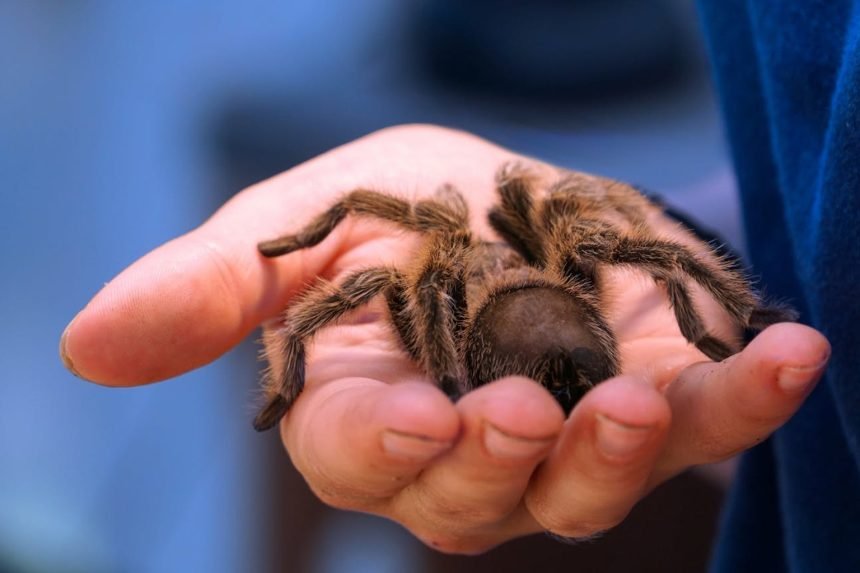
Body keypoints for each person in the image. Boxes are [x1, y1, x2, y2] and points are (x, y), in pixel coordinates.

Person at [60, 1, 858, 569]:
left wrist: (445, 373)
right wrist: (693, 232)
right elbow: (791, 171)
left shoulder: (425, 281)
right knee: (594, 229)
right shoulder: (552, 250)